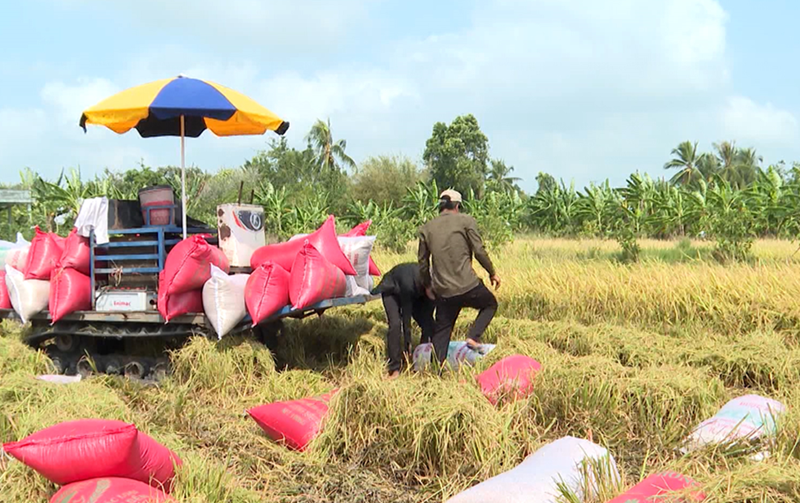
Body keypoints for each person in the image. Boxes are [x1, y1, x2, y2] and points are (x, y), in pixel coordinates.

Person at [418, 189, 500, 367]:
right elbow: (479, 251)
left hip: (444, 292)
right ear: (457, 205)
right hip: (468, 286)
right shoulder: (466, 221)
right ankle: (473, 337)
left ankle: (436, 372)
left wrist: (428, 285)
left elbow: (422, 263)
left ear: (440, 206)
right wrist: (491, 272)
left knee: (442, 333)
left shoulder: (426, 228)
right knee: (490, 304)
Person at [371, 262, 435, 378]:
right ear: (428, 286)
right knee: (395, 325)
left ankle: (422, 362)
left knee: (429, 324)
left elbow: (428, 318)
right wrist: (407, 349)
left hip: (416, 293)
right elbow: (407, 322)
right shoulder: (409, 284)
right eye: (433, 293)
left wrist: (421, 352)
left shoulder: (433, 291)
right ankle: (394, 368)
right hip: (392, 290)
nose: (435, 296)